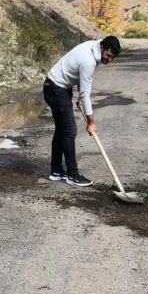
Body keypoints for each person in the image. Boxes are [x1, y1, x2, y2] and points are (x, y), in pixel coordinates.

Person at [42, 35, 121, 186]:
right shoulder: (89, 61)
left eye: (112, 57)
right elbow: (86, 94)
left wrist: (80, 94)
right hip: (55, 89)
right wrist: (91, 122)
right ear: (103, 48)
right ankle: (73, 174)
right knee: (69, 131)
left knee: (62, 130)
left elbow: (80, 79)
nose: (109, 60)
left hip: (58, 87)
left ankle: (56, 171)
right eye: (108, 55)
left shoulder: (94, 47)